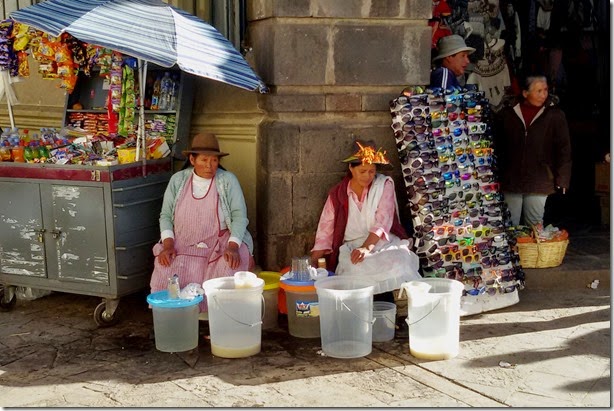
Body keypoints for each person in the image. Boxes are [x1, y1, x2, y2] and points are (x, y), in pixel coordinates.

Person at [149, 132, 254, 317]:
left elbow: (239, 216)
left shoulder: (228, 181)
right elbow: (165, 215)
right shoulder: (178, 180)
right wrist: (168, 245)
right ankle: (174, 315)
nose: (209, 165)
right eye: (204, 160)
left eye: (214, 160)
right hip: (183, 242)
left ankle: (218, 317)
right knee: (165, 266)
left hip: (219, 244)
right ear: (192, 159)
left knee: (229, 266)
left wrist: (233, 246)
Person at [310, 140, 420, 303]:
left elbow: (383, 220)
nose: (368, 176)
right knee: (355, 268)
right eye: (362, 171)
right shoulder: (338, 194)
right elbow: (325, 229)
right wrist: (313, 262)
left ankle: (388, 309)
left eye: (371, 171)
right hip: (353, 245)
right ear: (351, 169)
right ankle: (367, 310)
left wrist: (366, 247)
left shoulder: (384, 185)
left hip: (382, 242)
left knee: (399, 260)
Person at [494, 74, 572, 226]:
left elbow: (564, 149)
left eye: (545, 90)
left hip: (540, 180)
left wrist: (563, 178)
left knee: (535, 224)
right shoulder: (507, 113)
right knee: (509, 224)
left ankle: (532, 251)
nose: (544, 95)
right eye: (539, 91)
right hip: (511, 179)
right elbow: (498, 145)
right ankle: (513, 250)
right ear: (525, 93)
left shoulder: (555, 115)